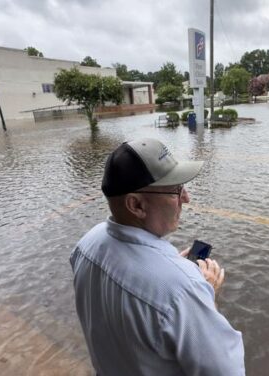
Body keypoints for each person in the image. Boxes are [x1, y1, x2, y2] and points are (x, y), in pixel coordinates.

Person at [70, 138, 245, 376]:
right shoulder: (183, 289)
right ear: (136, 205)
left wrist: (174, 266)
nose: (186, 198)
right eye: (175, 189)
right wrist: (207, 299)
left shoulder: (86, 245)